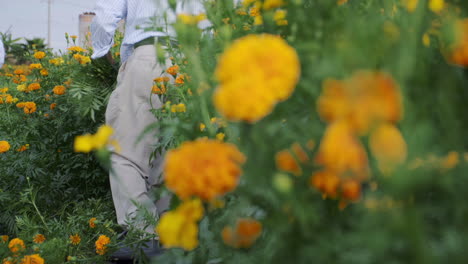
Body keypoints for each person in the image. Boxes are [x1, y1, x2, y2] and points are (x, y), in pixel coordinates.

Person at [90, 0, 176, 259]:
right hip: (188, 61)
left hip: (148, 55)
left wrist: (103, 51)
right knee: (167, 154)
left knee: (124, 153)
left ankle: (144, 235)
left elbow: (105, 19)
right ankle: (171, 237)